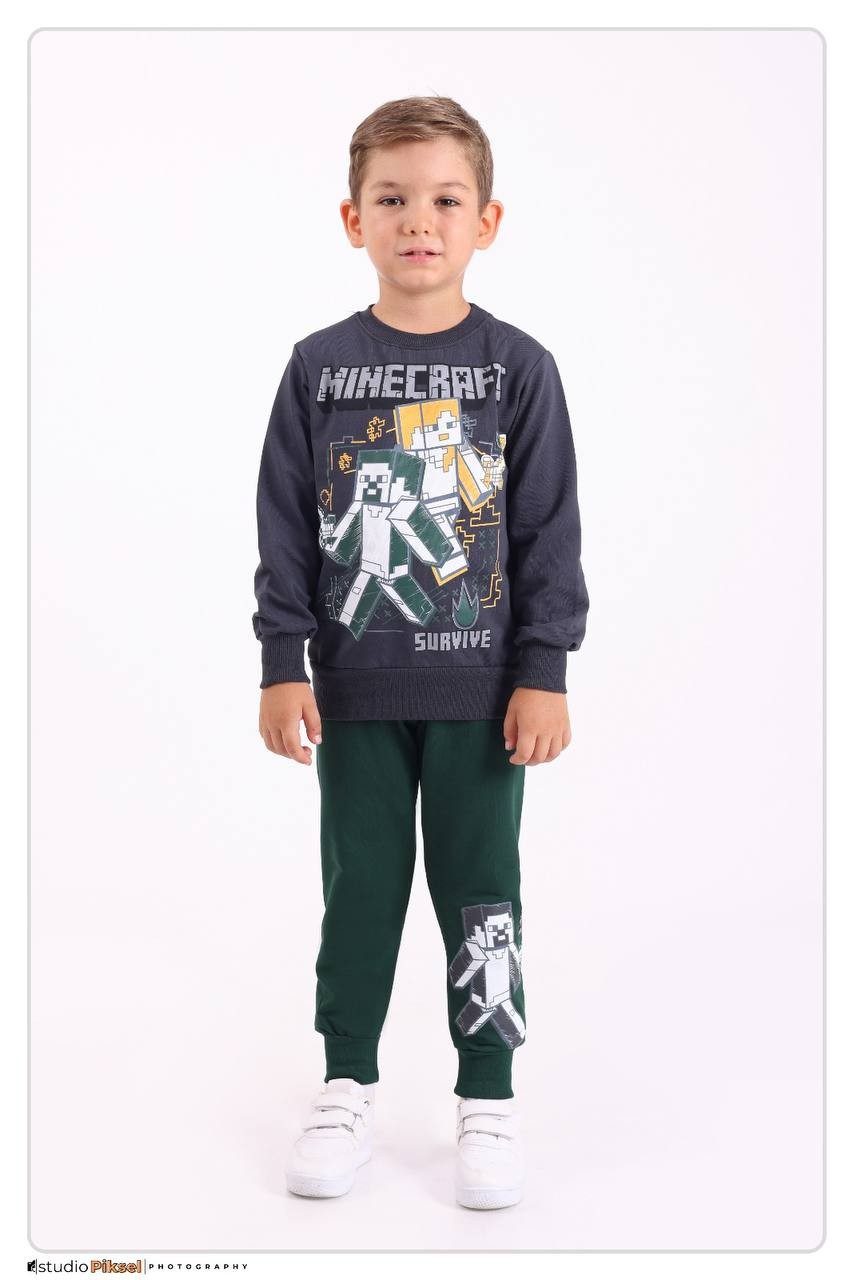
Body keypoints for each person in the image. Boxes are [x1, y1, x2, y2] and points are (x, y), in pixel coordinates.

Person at [252, 95, 589, 1211]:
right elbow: (285, 523)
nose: (417, 221)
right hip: (352, 692)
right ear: (353, 219)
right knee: (359, 892)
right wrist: (283, 660)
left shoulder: (516, 367)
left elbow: (545, 529)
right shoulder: (318, 366)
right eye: (391, 199)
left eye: (445, 199)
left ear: (486, 220)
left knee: (482, 892)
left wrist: (543, 669)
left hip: (482, 695)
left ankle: (487, 1091)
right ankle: (345, 1081)